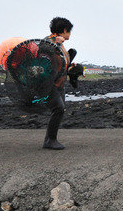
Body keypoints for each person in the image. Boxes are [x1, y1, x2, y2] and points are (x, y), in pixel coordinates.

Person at [42, 17, 80, 150]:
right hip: (49, 84)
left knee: (59, 110)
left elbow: (60, 63)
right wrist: (56, 44)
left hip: (59, 84)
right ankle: (50, 141)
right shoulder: (48, 41)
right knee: (58, 109)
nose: (70, 34)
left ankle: (50, 139)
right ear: (64, 30)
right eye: (69, 31)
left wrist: (71, 66)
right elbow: (43, 58)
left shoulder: (60, 43)